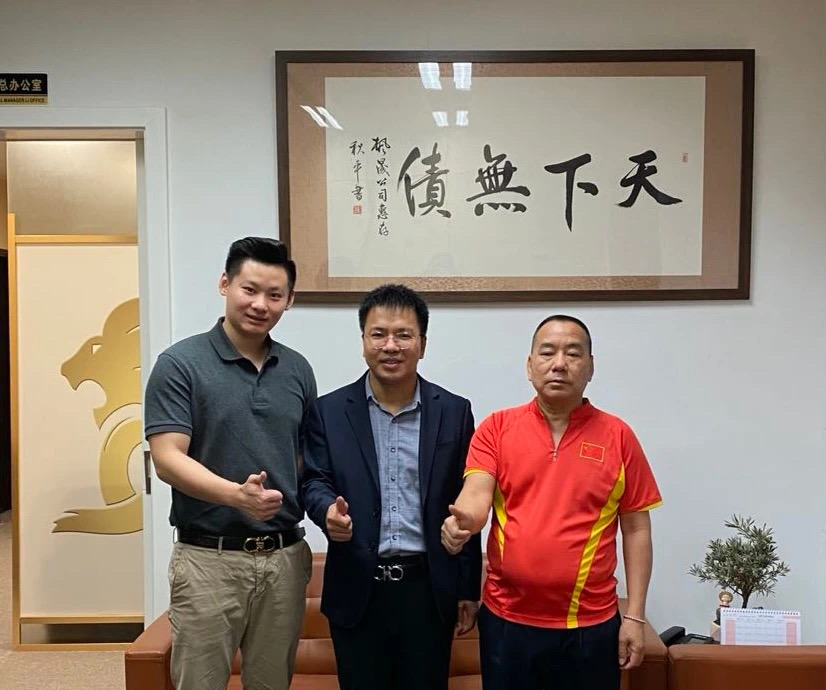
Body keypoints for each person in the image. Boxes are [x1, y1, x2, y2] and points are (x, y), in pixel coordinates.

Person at [441, 315, 662, 690]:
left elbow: (637, 529)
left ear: (590, 367)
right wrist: (462, 523)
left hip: (589, 625)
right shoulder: (497, 428)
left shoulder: (619, 436)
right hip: (507, 620)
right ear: (530, 366)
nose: (559, 363)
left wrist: (635, 617)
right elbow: (476, 494)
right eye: (547, 352)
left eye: (573, 353)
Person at [144, 237, 317, 690]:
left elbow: (307, 459)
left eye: (275, 295)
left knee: (272, 683)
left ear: (289, 301)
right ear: (225, 284)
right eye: (249, 289)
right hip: (208, 560)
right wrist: (236, 496)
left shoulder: (297, 369)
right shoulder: (180, 364)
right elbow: (167, 458)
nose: (260, 304)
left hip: (284, 558)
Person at [302, 284, 482, 690]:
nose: (390, 346)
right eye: (378, 334)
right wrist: (326, 511)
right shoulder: (329, 411)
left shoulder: (454, 412)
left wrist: (467, 587)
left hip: (428, 591)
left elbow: (468, 497)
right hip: (357, 590)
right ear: (363, 342)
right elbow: (314, 479)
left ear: (422, 344)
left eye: (403, 335)